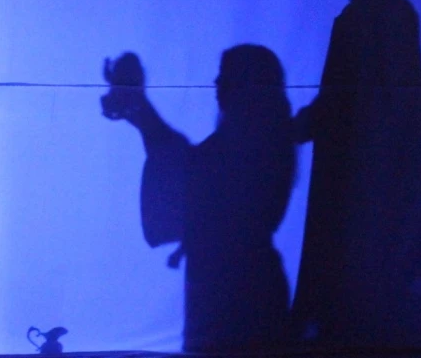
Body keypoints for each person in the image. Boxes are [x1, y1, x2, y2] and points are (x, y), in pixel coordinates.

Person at [291, 0, 421, 348]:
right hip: (362, 177)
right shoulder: (373, 15)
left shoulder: (379, 16)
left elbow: (367, 101)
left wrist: (303, 126)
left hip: (368, 181)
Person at [102, 45, 295, 351]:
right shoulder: (265, 140)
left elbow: (194, 177)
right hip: (228, 290)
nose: (217, 83)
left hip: (237, 297)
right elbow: (192, 173)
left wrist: (138, 106)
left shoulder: (254, 146)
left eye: (226, 76)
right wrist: (138, 107)